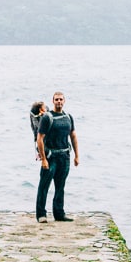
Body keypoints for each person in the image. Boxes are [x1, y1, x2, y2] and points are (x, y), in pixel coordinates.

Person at [35, 91, 79, 223]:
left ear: (64, 101)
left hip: (64, 156)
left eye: (61, 99)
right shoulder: (47, 118)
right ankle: (41, 214)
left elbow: (73, 136)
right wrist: (43, 159)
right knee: (44, 186)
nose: (59, 102)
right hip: (51, 157)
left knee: (60, 186)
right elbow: (40, 139)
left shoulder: (68, 117)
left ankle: (59, 213)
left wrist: (77, 155)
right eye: (56, 100)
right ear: (53, 101)